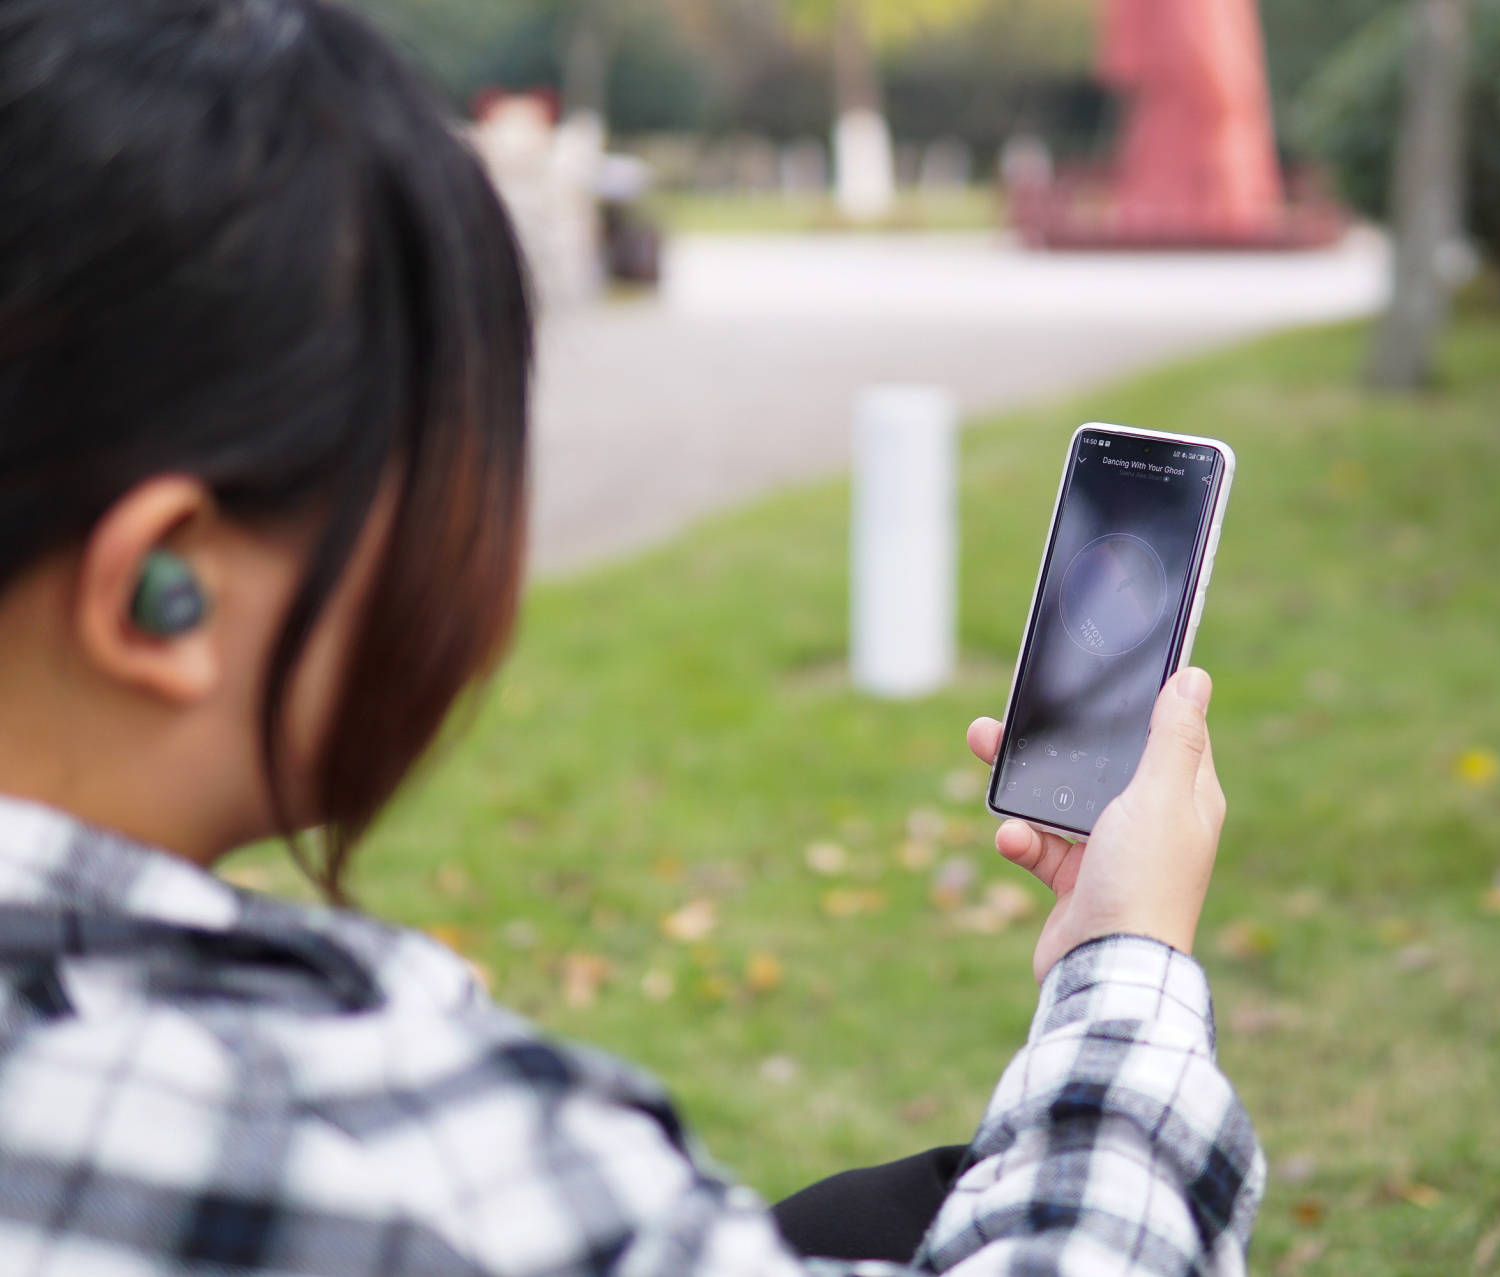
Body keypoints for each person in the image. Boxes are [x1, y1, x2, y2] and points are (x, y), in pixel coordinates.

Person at [0, 2, 1266, 1274]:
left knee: (866, 1217)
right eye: (450, 498)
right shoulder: (370, 1137)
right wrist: (1126, 955)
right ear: (160, 591)